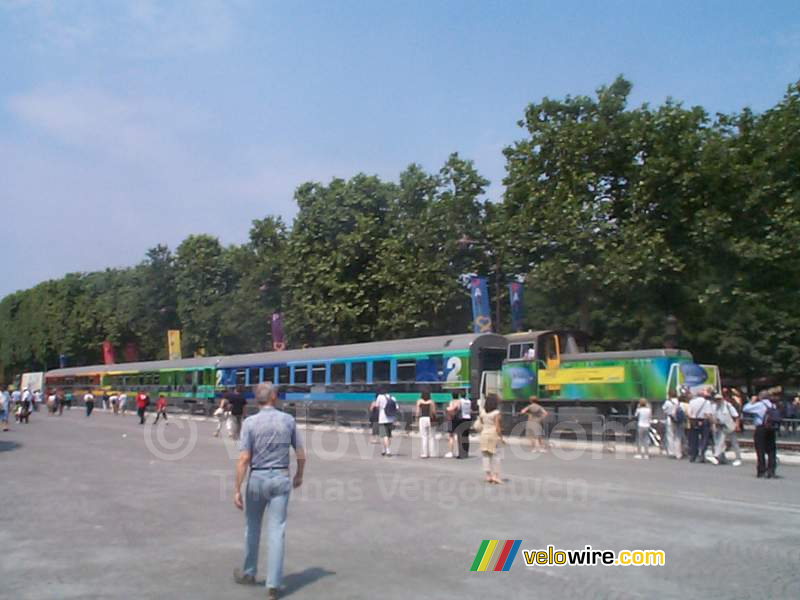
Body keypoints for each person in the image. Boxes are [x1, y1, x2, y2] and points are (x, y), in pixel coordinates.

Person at [233, 383, 305, 599]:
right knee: (277, 530)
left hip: (257, 478)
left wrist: (237, 489)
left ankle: (249, 573)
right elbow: (301, 452)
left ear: (257, 399)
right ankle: (273, 584)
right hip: (281, 478)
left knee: (252, 526)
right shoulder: (288, 420)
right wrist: (299, 475)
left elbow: (244, 458)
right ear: (273, 397)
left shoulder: (249, 423)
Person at [743, 393, 779, 478]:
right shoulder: (773, 405)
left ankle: (761, 470)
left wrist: (752, 401)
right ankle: (771, 470)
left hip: (761, 428)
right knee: (771, 450)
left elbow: (745, 409)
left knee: (760, 450)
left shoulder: (759, 405)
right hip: (771, 428)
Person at [479, 393, 504, 484]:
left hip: (484, 433)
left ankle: (488, 475)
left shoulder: (482, 412)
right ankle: (496, 476)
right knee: (496, 455)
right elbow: (497, 426)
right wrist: (501, 437)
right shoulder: (496, 413)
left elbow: (481, 422)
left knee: (486, 455)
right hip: (493, 434)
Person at [711, 394, 742, 466]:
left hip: (729, 426)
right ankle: (717, 456)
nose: (717, 401)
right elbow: (713, 416)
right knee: (720, 442)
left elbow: (736, 416)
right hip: (721, 426)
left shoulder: (728, 406)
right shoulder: (714, 407)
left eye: (719, 399)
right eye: (716, 400)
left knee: (734, 442)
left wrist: (737, 425)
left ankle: (738, 458)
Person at [687, 388, 713, 463]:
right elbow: (708, 414)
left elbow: (689, 413)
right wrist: (712, 423)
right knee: (704, 438)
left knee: (694, 439)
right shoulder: (707, 402)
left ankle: (693, 455)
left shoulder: (692, 402)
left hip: (694, 420)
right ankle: (702, 454)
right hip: (704, 421)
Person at [370, 388, 397, 456]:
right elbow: (396, 408)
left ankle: (387, 450)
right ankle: (385, 449)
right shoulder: (393, 398)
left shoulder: (380, 397)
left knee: (384, 435)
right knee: (389, 436)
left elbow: (376, 406)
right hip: (391, 419)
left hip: (382, 419)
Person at [662, 394, 684, 459]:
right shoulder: (680, 402)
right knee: (678, 437)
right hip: (679, 421)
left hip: (670, 419)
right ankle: (678, 453)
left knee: (670, 436)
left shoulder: (667, 402)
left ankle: (671, 452)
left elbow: (664, 410)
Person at [416, 390, 436, 458]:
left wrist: (416, 420)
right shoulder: (431, 402)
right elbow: (434, 412)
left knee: (424, 437)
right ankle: (432, 453)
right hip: (430, 419)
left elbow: (417, 412)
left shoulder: (419, 401)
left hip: (422, 419)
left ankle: (425, 453)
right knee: (431, 437)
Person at [454, 393, 472, 459]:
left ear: (460, 395)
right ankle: (466, 452)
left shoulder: (460, 401)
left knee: (460, 437)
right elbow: (470, 410)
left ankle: (461, 454)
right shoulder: (469, 401)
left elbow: (457, 408)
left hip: (461, 419)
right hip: (468, 419)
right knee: (466, 437)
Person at [443, 394, 459, 458]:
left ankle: (451, 452)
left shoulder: (451, 402)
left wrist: (447, 409)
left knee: (451, 436)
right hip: (458, 420)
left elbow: (448, 410)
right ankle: (458, 451)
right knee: (458, 436)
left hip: (451, 420)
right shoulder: (459, 402)